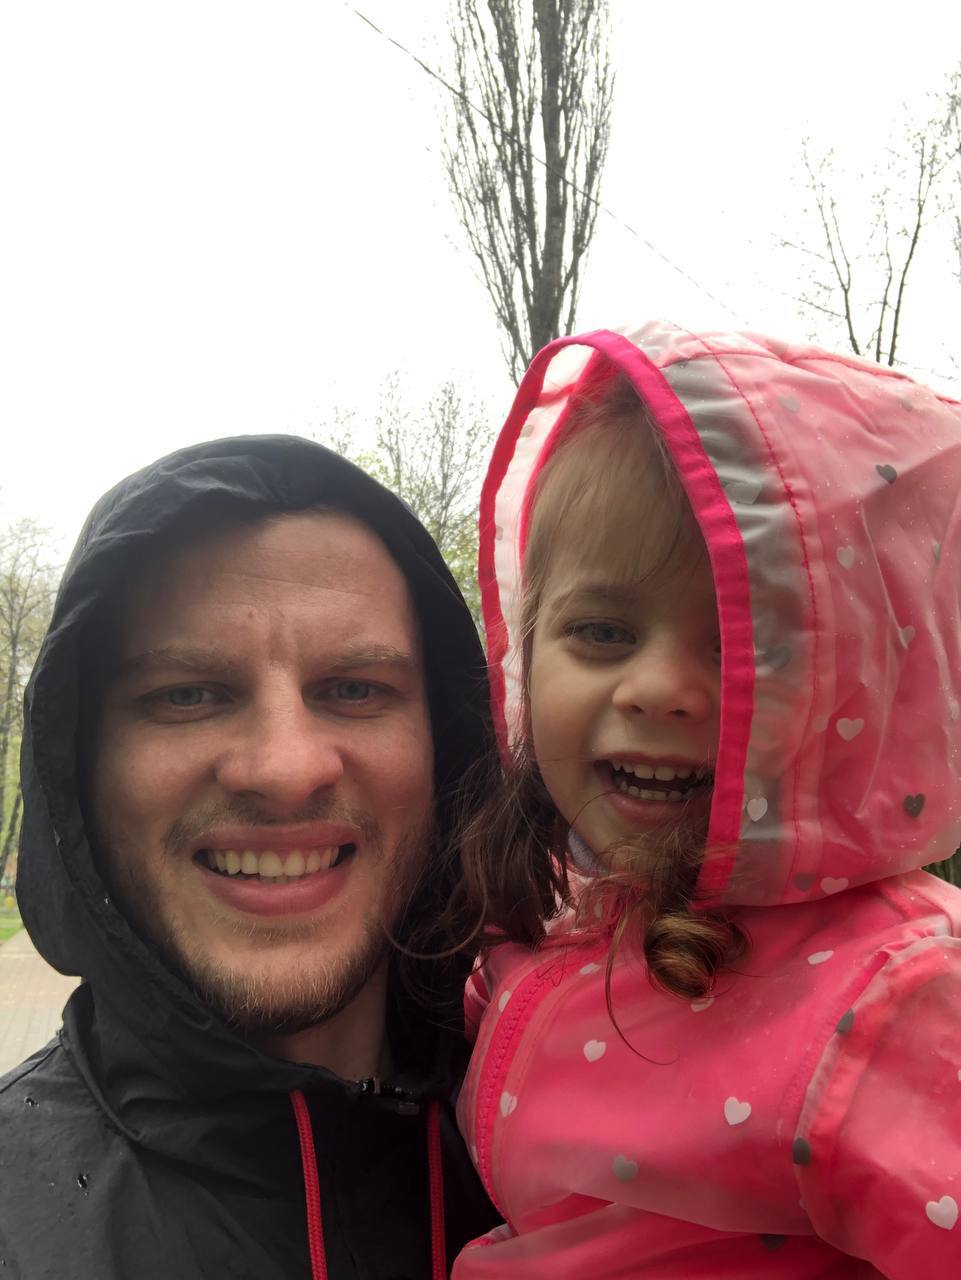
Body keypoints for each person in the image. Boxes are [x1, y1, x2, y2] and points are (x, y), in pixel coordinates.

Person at [453, 321, 961, 1278]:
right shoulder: (560, 913)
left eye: (743, 645)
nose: (658, 689)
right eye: (601, 631)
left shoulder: (889, 997)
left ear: (863, 688)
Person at [0, 435, 499, 1279]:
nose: (284, 770)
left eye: (354, 689)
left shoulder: (617, 1170)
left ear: (445, 750)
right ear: (79, 768)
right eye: (187, 695)